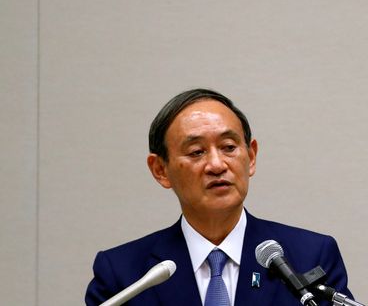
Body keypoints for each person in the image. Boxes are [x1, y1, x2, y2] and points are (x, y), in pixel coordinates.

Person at [85, 88, 352, 306]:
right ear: (160, 170)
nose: (216, 164)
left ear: (251, 157)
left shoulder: (310, 255)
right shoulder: (122, 273)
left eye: (228, 147)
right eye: (196, 152)